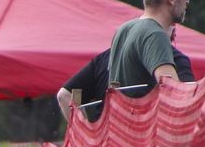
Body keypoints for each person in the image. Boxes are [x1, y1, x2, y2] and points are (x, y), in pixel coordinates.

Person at [57, 28, 195, 123]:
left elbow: (64, 95)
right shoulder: (176, 59)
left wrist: (86, 136)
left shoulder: (106, 57)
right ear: (172, 33)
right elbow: (187, 102)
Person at [107, 0, 203, 99]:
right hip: (144, 119)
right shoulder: (155, 35)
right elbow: (175, 94)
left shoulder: (124, 29)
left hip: (123, 118)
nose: (187, 1)